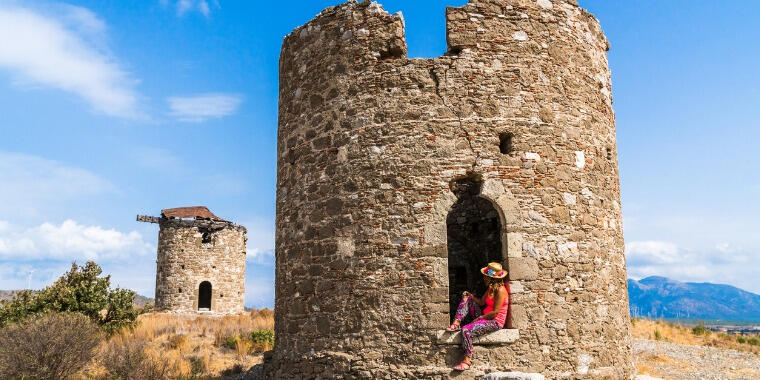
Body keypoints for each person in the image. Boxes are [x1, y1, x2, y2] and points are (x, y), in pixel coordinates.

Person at [446, 262, 510, 371]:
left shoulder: (500, 290)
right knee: (467, 299)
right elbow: (481, 302)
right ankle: (456, 323)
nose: (484, 278)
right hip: (485, 317)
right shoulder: (491, 288)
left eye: (486, 276)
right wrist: (470, 296)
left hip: (494, 322)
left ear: (491, 278)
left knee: (466, 330)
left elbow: (495, 312)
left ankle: (467, 360)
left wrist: (479, 318)